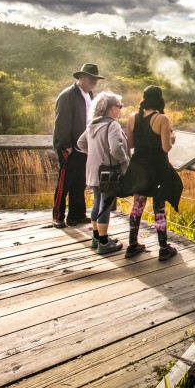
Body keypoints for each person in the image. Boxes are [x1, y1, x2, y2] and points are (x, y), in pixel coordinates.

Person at [124, 85, 182, 260]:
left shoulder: (132, 117)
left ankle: (132, 245)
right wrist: (171, 139)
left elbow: (131, 145)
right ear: (159, 100)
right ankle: (164, 248)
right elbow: (166, 147)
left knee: (137, 206)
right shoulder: (162, 119)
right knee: (159, 208)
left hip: (139, 167)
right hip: (157, 168)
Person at [52, 63, 104, 228]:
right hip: (69, 147)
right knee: (64, 182)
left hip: (84, 146)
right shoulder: (68, 95)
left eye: (95, 79)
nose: (94, 82)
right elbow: (61, 122)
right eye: (91, 78)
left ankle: (76, 215)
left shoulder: (89, 95)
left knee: (79, 182)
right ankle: (58, 216)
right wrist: (65, 145)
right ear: (81, 77)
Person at [76, 91, 128, 255]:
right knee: (105, 204)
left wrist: (95, 154)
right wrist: (124, 160)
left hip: (92, 170)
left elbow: (80, 143)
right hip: (107, 172)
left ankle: (96, 237)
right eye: (120, 107)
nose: (120, 110)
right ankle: (104, 242)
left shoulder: (93, 124)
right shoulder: (112, 125)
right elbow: (116, 148)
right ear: (112, 108)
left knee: (97, 201)